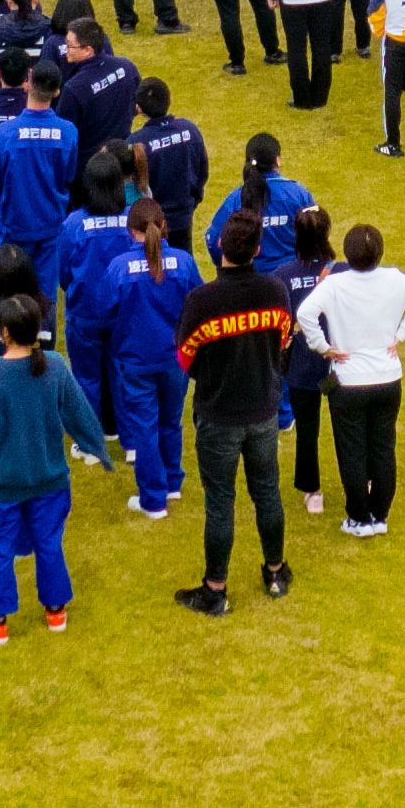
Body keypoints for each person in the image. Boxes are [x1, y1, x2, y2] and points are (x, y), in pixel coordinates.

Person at [0, 293, 119, 640]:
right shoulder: (56, 367)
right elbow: (82, 417)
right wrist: (102, 453)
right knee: (49, 543)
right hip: (50, 482)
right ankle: (56, 614)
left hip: (1, 486)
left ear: (4, 333)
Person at [172, 227, 298, 614]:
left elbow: (184, 358)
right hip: (262, 411)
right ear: (258, 249)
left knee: (221, 501)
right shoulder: (275, 292)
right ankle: (275, 573)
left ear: (221, 246)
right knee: (267, 491)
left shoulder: (202, 300)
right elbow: (284, 341)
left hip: (218, 415)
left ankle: (215, 591)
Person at [293, 225, 405, 536]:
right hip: (388, 379)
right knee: (384, 447)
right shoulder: (394, 279)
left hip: (348, 381)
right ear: (380, 254)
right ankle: (379, 515)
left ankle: (359, 518)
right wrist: (401, 334)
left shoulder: (334, 285)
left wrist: (323, 347)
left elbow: (305, 313)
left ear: (347, 254)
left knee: (352, 449)